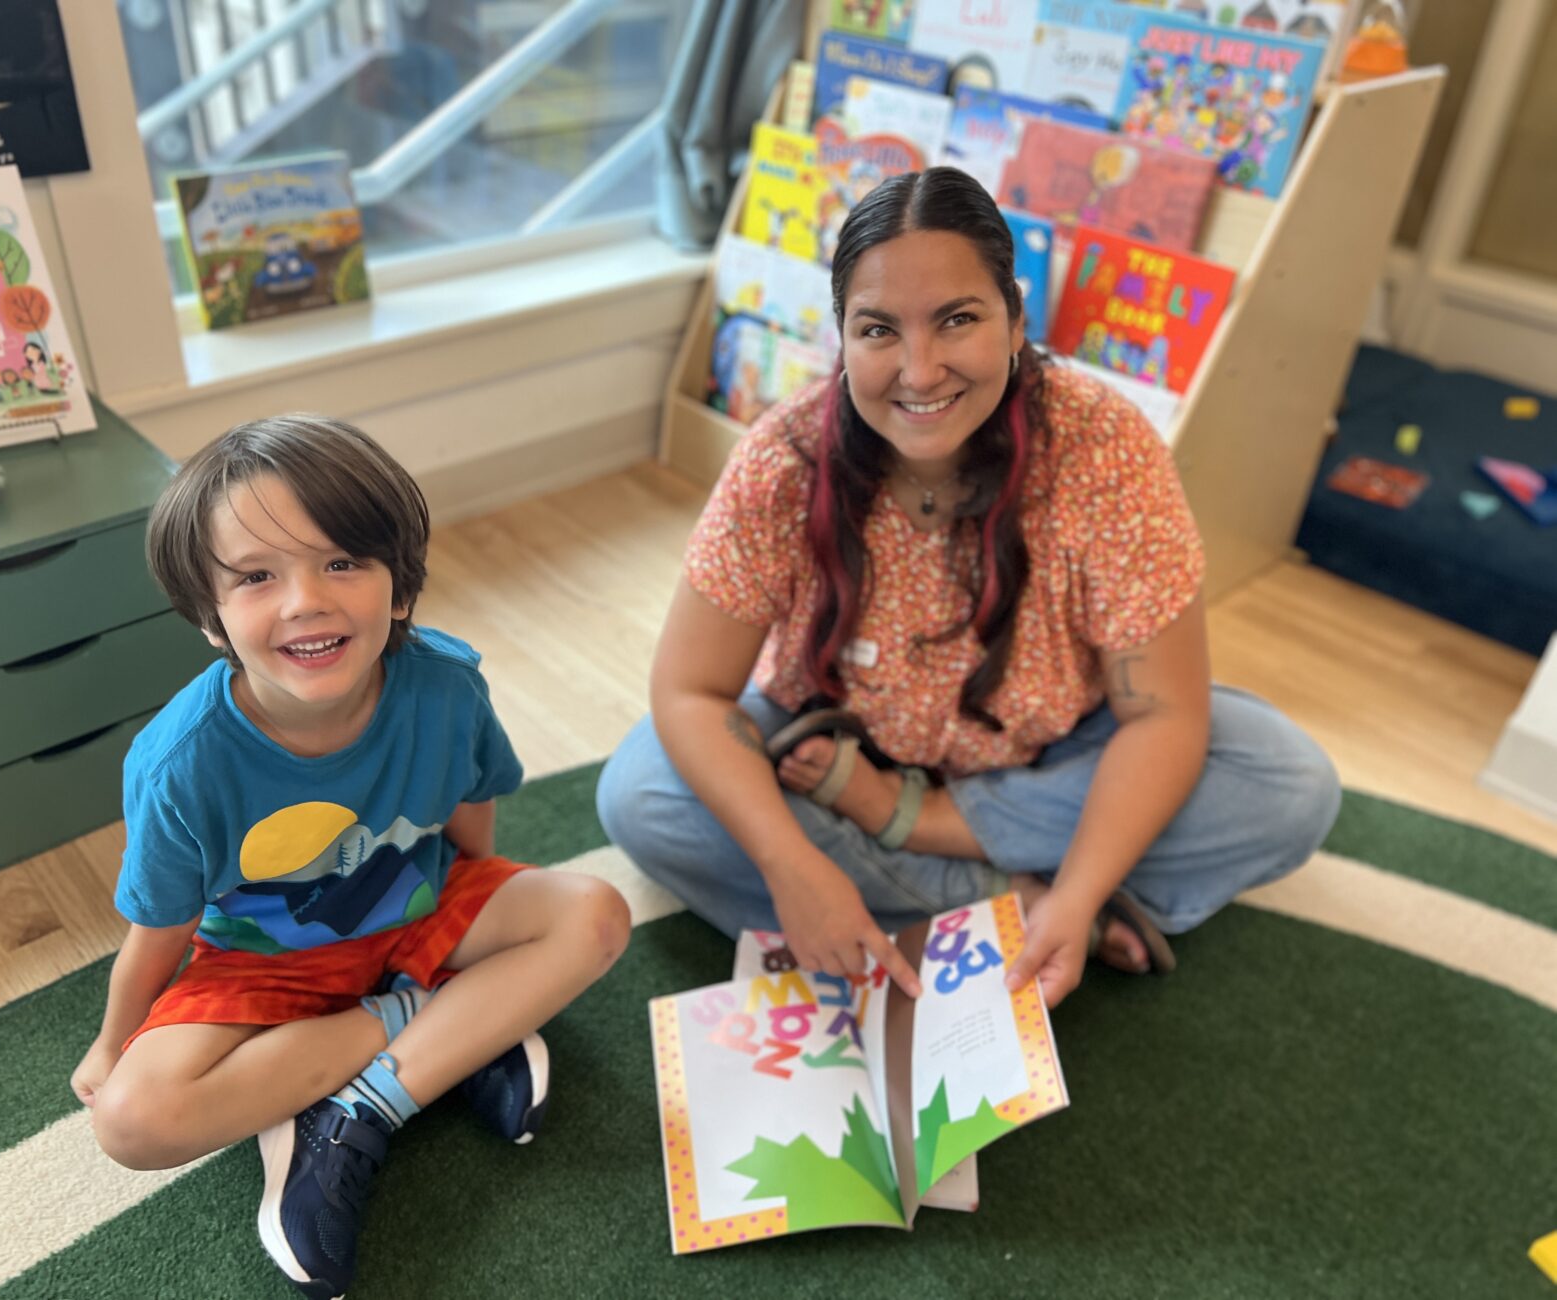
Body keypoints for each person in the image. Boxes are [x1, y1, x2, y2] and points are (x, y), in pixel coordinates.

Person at [597, 166, 1338, 1008]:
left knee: (1286, 784)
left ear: (1015, 319)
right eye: (878, 330)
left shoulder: (1105, 446)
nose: (918, 371)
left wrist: (909, 822)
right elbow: (689, 690)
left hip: (1048, 753)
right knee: (643, 795)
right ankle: (1016, 910)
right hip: (827, 743)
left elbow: (1162, 713)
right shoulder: (782, 459)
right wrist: (791, 865)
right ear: (841, 337)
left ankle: (944, 866)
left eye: (956, 320)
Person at [70, 415, 630, 1299]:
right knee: (133, 1122)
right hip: (264, 965)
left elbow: (467, 810)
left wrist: (472, 923)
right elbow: (158, 930)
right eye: (256, 576)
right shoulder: (180, 762)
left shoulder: (445, 683)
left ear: (398, 587)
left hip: (413, 913)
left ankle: (355, 1108)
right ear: (209, 619)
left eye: (342, 562)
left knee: (595, 912)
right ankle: (437, 1031)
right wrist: (110, 1048)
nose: (305, 601)